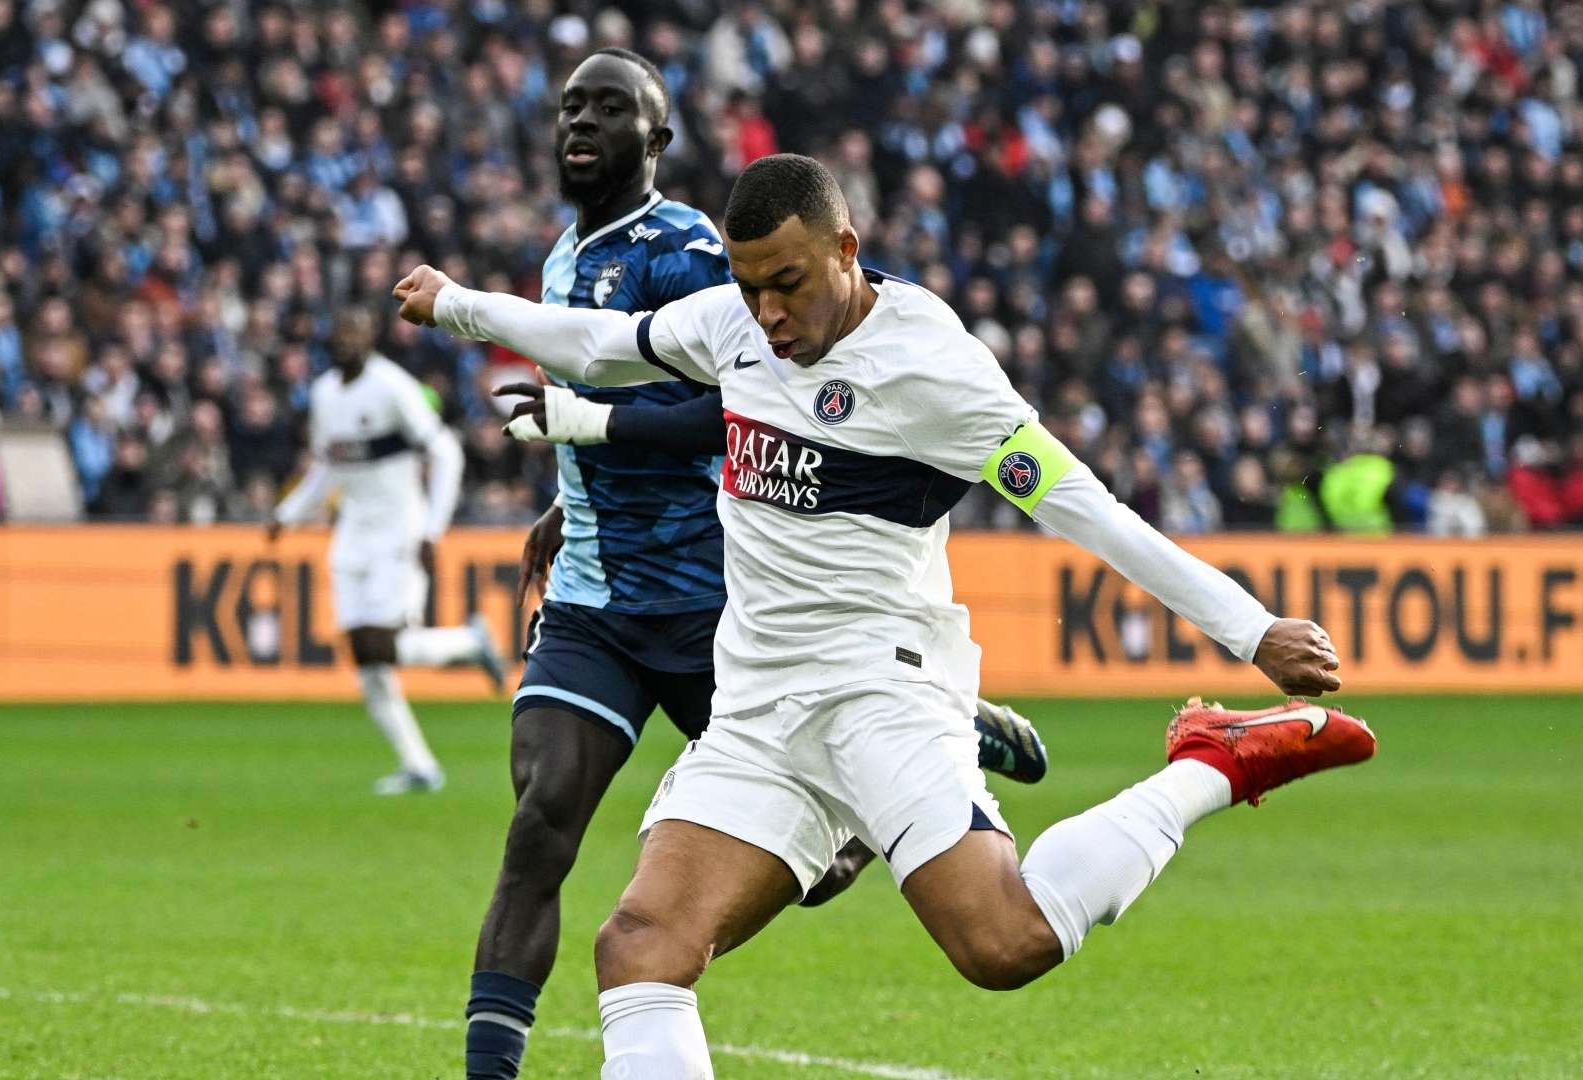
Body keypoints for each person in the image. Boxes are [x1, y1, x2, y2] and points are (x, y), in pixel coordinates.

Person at [396, 154, 1374, 1078]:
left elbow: (1089, 511)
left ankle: (1211, 761)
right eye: (748, 287)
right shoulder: (735, 326)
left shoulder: (933, 369)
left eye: (788, 283)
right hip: (757, 714)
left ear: (847, 251)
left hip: (882, 692)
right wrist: (461, 309)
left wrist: (1252, 631)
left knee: (1004, 944)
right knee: (641, 946)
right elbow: (608, 348)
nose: (769, 313)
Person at [460, 52, 1046, 1080]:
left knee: (808, 873)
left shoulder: (695, 249)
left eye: (610, 108)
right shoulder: (562, 257)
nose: (580, 124)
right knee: (540, 818)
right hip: (598, 602)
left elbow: (727, 407)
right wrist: (568, 494)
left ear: (660, 138)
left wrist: (591, 432)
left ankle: (938, 725)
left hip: (714, 603)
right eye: (569, 108)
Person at [268, 305, 507, 796]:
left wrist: (430, 531)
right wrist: (287, 514)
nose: (347, 340)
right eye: (340, 331)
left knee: (382, 643)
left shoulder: (393, 386)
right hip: (352, 534)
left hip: (399, 530)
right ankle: (418, 766)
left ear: (370, 337)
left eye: (356, 330)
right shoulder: (324, 395)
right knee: (364, 656)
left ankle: (469, 642)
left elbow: (446, 451)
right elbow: (327, 467)